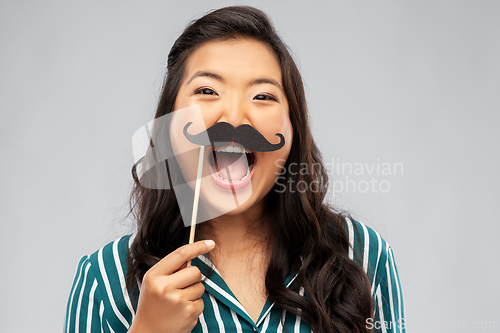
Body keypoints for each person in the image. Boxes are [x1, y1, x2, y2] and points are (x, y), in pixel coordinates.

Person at [64, 6, 405, 333]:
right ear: (168, 126)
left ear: (294, 130)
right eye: (207, 90)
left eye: (262, 96)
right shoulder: (104, 278)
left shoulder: (362, 254)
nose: (233, 118)